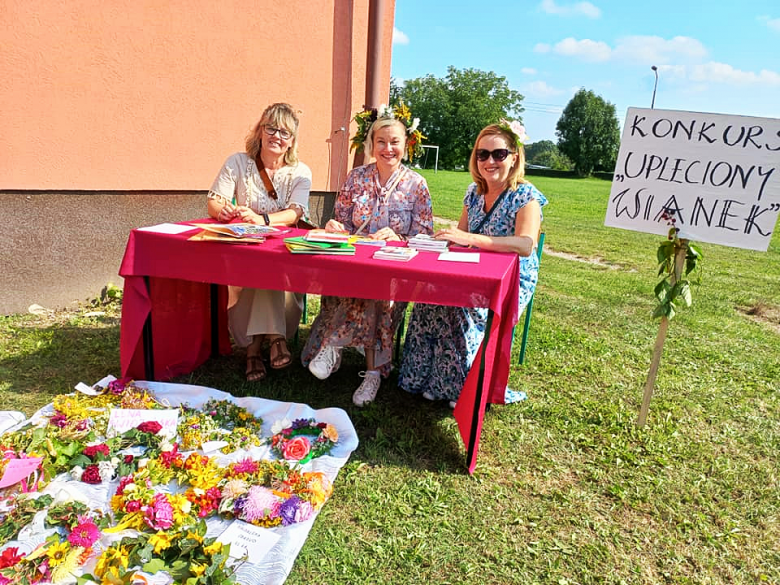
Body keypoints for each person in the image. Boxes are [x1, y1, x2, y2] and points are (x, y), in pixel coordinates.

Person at [398, 121, 548, 408]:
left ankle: (463, 389)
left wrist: (471, 239)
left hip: (510, 279)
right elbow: (460, 239)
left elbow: (525, 245)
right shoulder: (473, 192)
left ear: (514, 156)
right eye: (483, 154)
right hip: (471, 268)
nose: (490, 161)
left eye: (499, 154)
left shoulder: (526, 196)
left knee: (461, 308)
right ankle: (428, 381)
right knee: (429, 298)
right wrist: (437, 242)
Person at [301, 104, 433, 407]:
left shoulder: (417, 185)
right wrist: (335, 226)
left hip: (393, 270)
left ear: (406, 145)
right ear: (371, 145)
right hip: (354, 265)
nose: (388, 148)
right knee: (361, 286)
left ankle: (338, 346)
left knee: (377, 292)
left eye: (395, 142)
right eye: (381, 142)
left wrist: (399, 237)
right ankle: (371, 369)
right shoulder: (355, 177)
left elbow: (425, 235)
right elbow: (342, 222)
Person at [207, 103, 312, 382]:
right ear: (260, 131)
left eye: (285, 132)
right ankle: (276, 338)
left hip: (285, 259)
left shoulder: (300, 171)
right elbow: (214, 203)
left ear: (292, 141)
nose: (277, 136)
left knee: (270, 272)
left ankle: (253, 350)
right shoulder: (237, 162)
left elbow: (296, 212)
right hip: (245, 256)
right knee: (261, 272)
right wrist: (225, 211)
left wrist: (262, 219)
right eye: (271, 128)